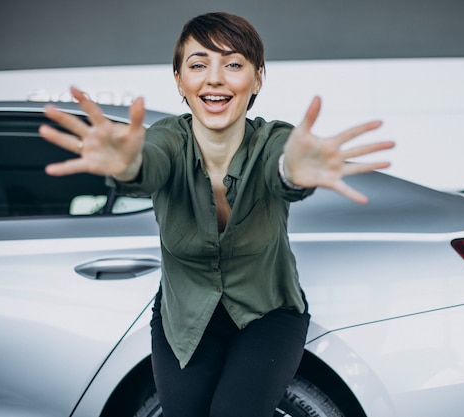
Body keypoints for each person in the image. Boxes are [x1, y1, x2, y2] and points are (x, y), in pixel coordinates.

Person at [39, 11, 394, 417]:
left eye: (233, 64)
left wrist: (294, 172)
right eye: (198, 64)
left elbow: (284, 167)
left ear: (257, 78)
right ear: (179, 80)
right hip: (184, 316)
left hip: (269, 312)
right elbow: (149, 165)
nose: (214, 78)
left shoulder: (275, 139)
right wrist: (128, 165)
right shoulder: (167, 139)